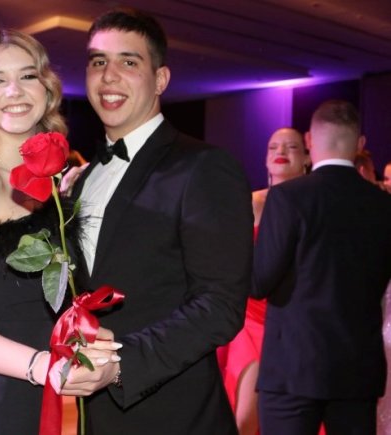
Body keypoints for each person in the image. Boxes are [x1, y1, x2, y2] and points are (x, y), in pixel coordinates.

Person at [63, 9, 253, 434]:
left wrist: (121, 365)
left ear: (161, 79)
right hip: (96, 416)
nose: (108, 76)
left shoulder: (204, 167)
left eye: (128, 62)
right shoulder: (84, 178)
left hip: (175, 415)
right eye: (98, 61)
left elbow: (220, 305)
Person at [0, 28, 119, 435]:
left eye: (27, 75)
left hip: (29, 402)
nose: (14, 90)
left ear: (47, 89)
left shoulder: (50, 183)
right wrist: (43, 366)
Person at [252, 100, 391, 434]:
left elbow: (259, 282)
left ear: (310, 140)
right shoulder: (383, 205)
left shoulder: (287, 198)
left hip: (293, 366)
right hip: (357, 368)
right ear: (359, 143)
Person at [219, 127, 309, 435]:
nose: (281, 151)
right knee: (245, 417)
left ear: (307, 156)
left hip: (298, 320)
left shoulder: (314, 204)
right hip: (251, 320)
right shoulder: (250, 204)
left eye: (291, 146)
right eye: (273, 147)